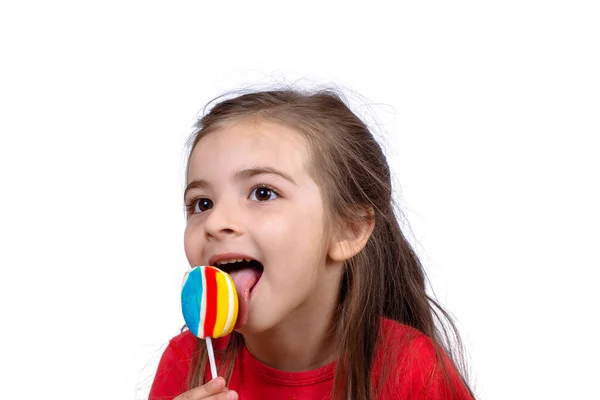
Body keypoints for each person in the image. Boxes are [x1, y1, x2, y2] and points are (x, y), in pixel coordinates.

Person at [149, 88, 475, 400]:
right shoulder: (186, 364)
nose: (216, 222)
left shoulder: (412, 369)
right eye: (202, 203)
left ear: (348, 229)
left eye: (263, 193)